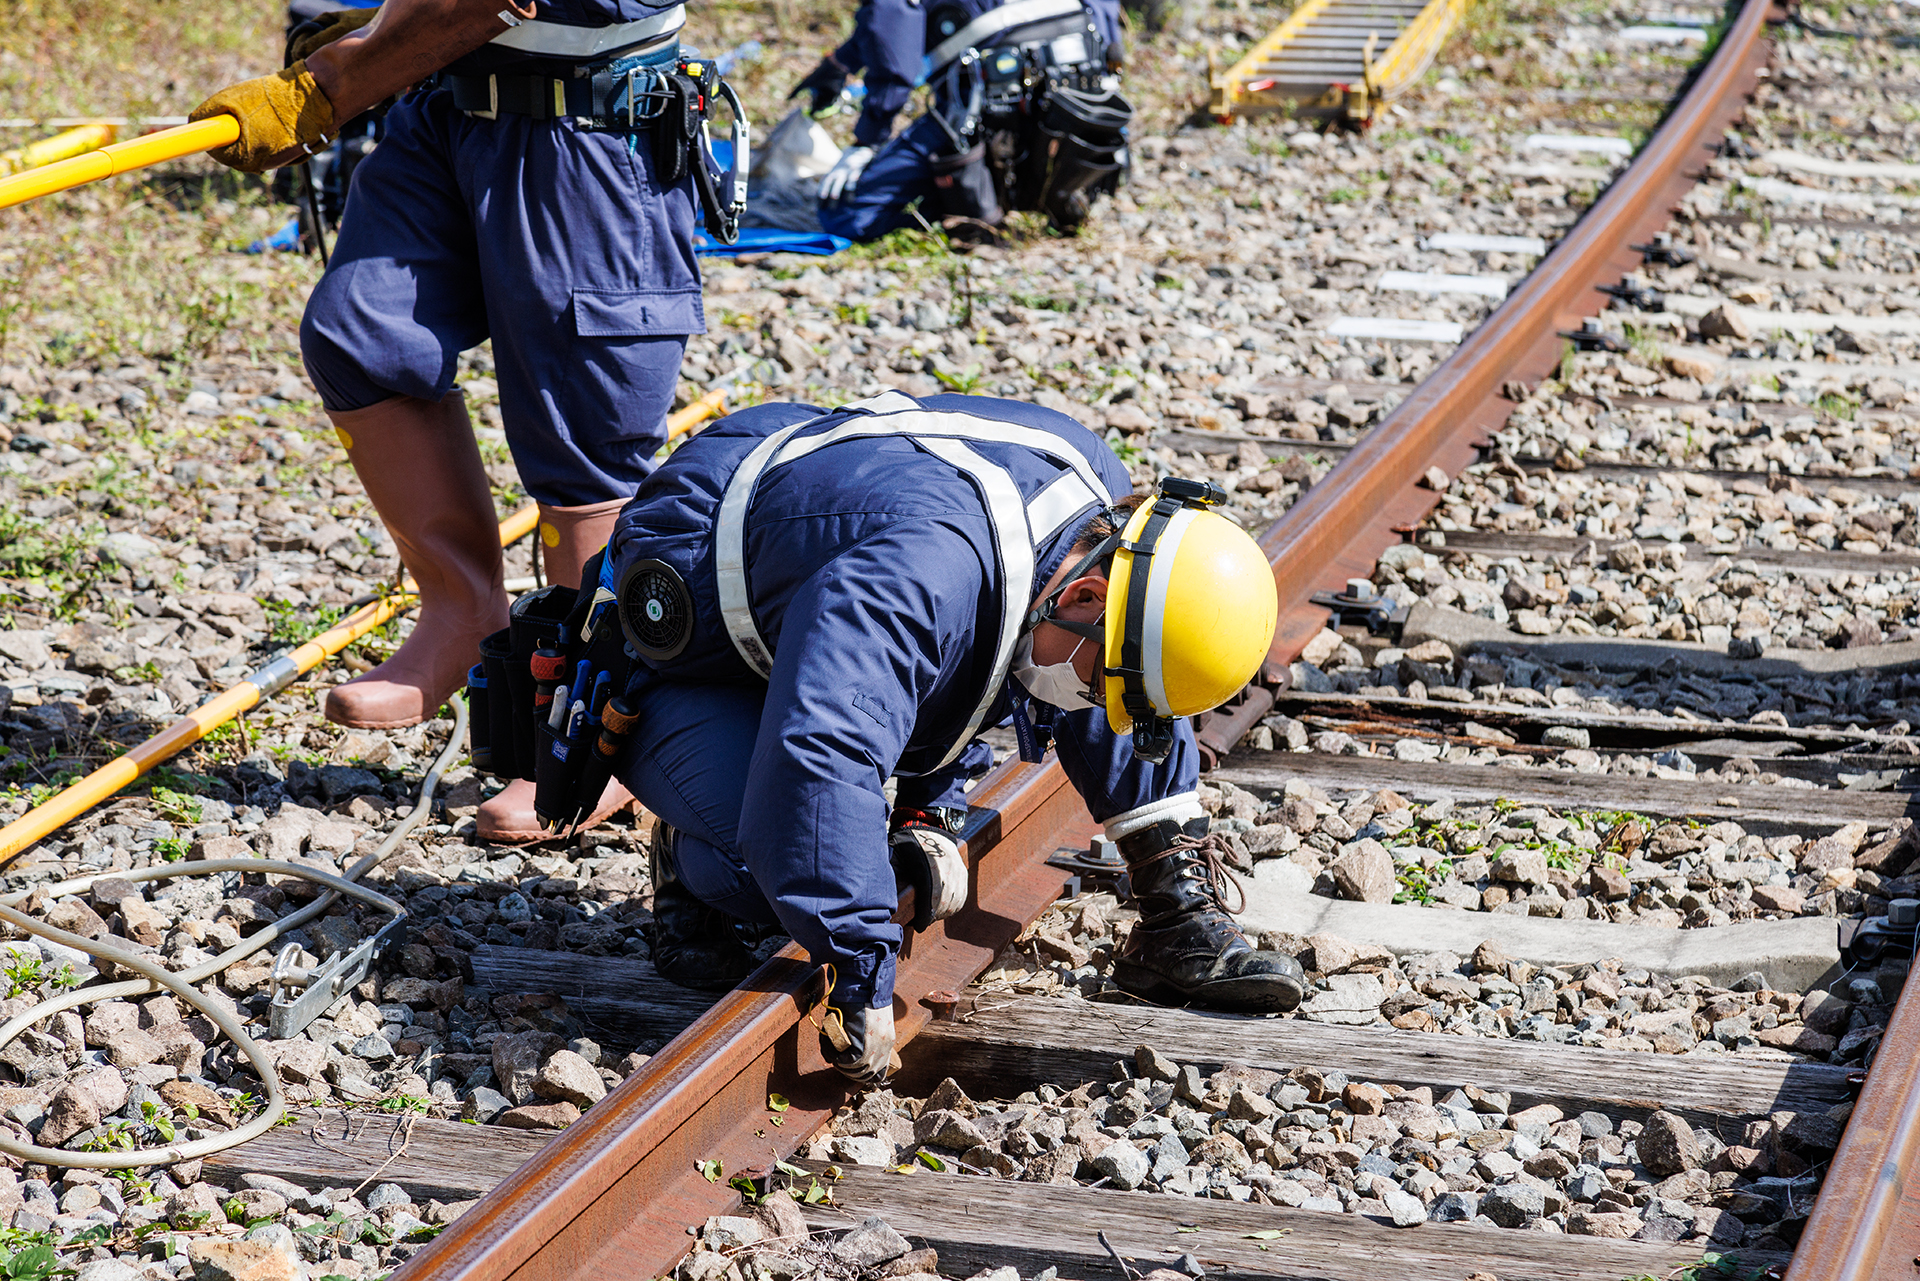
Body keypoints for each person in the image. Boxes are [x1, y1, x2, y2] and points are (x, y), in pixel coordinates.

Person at [598, 391, 1303, 1082]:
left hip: (835, 576)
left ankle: (1175, 911)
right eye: (1097, 691)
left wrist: (928, 802)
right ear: (1080, 595)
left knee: (1120, 652)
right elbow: (820, 756)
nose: (1095, 706)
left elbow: (980, 651)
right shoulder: (913, 585)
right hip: (690, 646)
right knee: (772, 863)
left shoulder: (1105, 530)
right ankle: (685, 859)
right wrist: (860, 967)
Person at [189, 0, 733, 842]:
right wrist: (378, 29)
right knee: (362, 335)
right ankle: (461, 610)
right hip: (451, 101)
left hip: (586, 115)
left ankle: (594, 732)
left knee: (582, 431)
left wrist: (333, 84)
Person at [796, 0, 1133, 242]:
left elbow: (896, 56)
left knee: (848, 216)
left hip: (991, 106)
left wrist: (866, 140)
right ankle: (1067, 188)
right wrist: (840, 63)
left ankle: (968, 207)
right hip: (1082, 106)